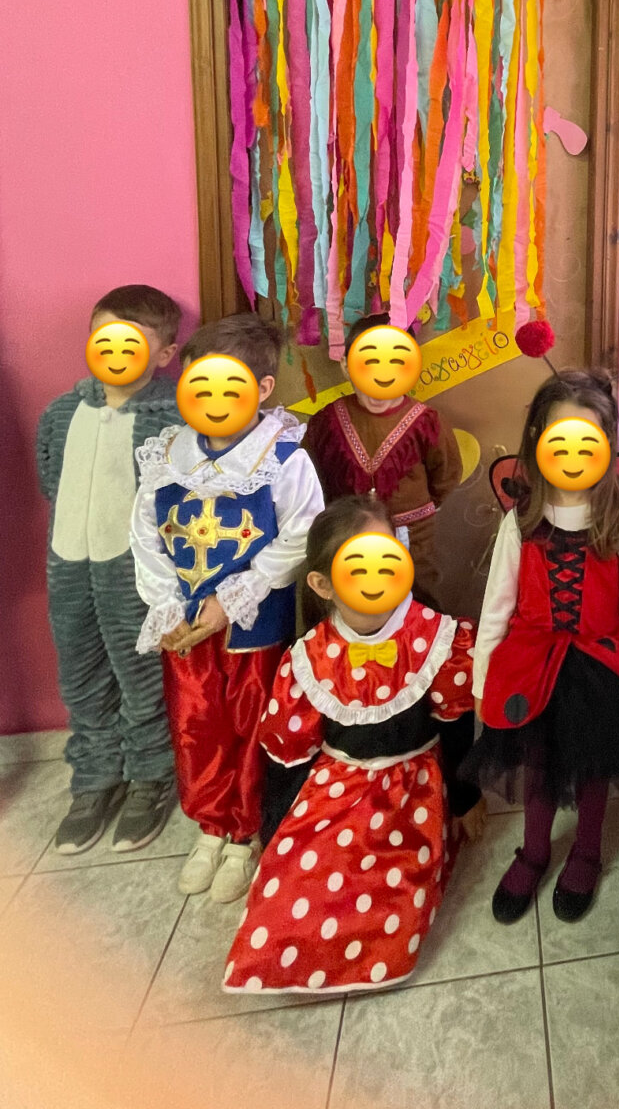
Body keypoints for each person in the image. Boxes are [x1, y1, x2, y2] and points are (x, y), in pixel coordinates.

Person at [223, 495, 486, 997]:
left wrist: (465, 797)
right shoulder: (308, 657)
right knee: (292, 893)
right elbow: (288, 757)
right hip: (336, 786)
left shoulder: (436, 636)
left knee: (390, 896)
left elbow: (456, 724)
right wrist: (276, 835)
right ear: (323, 584)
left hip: (413, 788)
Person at [464, 369, 619, 925]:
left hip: (598, 665)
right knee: (539, 762)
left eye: (589, 442)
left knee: (593, 765)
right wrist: (482, 681)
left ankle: (586, 851)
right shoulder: (521, 521)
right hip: (532, 664)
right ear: (539, 440)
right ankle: (533, 852)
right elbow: (496, 606)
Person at [130, 314, 324, 903]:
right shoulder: (167, 454)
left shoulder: (283, 457)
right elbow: (145, 533)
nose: (212, 401)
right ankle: (210, 826)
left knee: (251, 722)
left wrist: (236, 597)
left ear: (262, 389)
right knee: (195, 723)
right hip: (185, 621)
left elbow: (302, 534)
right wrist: (166, 605)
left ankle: (244, 833)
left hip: (253, 622)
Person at [36, 284, 182, 856]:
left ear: (164, 353)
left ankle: (151, 775)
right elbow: (50, 480)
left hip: (134, 574)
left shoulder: (174, 416)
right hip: (70, 566)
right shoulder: (60, 413)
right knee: (80, 672)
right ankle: (96, 777)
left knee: (141, 674)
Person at [304, 312, 462, 604]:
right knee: (354, 600)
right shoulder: (326, 422)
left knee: (418, 598)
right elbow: (311, 477)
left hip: (413, 538)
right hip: (348, 536)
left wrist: (415, 512)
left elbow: (446, 475)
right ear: (347, 367)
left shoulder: (427, 422)